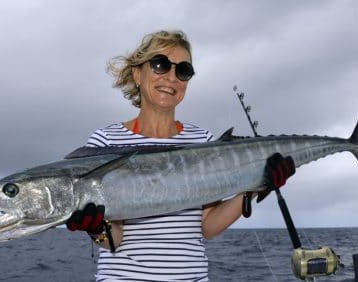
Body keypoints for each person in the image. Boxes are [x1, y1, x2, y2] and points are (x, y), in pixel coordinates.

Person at [66, 30, 295, 281]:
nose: (172, 77)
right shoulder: (105, 141)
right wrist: (97, 229)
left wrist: (255, 188)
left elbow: (207, 226)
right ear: (137, 74)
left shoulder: (203, 141)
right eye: (160, 64)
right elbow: (115, 239)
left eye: (183, 70)